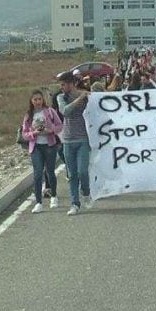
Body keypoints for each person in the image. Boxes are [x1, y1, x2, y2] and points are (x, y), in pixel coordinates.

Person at [21, 90, 63, 213]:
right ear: (31, 101)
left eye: (39, 99)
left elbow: (60, 125)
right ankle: (38, 202)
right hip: (36, 147)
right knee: (37, 174)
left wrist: (50, 130)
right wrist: (34, 133)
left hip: (50, 145)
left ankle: (54, 196)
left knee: (50, 171)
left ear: (42, 100)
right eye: (35, 99)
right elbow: (24, 134)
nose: (38, 101)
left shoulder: (50, 111)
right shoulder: (29, 115)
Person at [56, 71, 92, 216]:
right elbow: (65, 111)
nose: (62, 87)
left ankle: (86, 191)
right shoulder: (60, 97)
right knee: (72, 174)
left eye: (64, 84)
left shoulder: (85, 95)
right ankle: (74, 203)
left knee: (82, 171)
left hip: (83, 139)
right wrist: (79, 99)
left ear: (72, 84)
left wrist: (88, 96)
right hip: (68, 140)